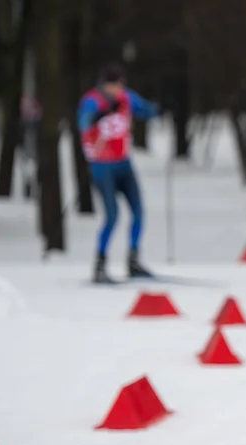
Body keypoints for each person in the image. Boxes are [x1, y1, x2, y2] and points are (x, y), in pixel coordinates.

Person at [77, 63, 160, 284]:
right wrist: (100, 115)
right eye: (112, 85)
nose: (116, 89)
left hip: (124, 163)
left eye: (119, 84)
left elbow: (142, 108)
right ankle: (100, 264)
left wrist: (156, 110)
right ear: (103, 84)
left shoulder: (126, 97)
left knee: (138, 210)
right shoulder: (92, 100)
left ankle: (133, 260)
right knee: (112, 216)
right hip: (102, 166)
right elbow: (84, 123)